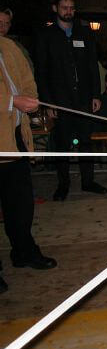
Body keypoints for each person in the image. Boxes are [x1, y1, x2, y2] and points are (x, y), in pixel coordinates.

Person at [34, 0, 107, 201]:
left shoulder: (84, 33)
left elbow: (92, 66)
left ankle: (88, 181)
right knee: (62, 143)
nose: (68, 11)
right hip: (60, 101)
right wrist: (48, 103)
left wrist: (96, 95)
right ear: (55, 8)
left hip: (83, 99)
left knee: (86, 141)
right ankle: (63, 184)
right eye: (64, 7)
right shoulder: (46, 35)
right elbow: (41, 72)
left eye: (72, 8)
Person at [0, 36, 57, 294]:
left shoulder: (9, 47)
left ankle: (23, 251)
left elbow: (26, 80)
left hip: (14, 138)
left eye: (6, 22)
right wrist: (12, 101)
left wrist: (31, 99)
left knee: (21, 202)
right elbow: (11, 97)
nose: (2, 26)